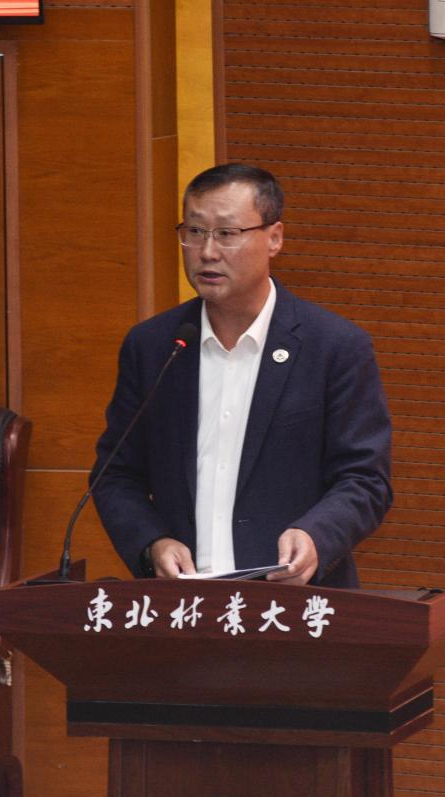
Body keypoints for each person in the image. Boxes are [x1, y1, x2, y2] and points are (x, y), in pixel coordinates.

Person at [90, 163, 391, 588]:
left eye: (227, 233)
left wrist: (316, 537)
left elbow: (365, 479)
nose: (207, 252)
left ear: (274, 238)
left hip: (292, 604)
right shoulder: (154, 347)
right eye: (195, 232)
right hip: (183, 606)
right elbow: (116, 475)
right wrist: (152, 543)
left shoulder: (334, 347)